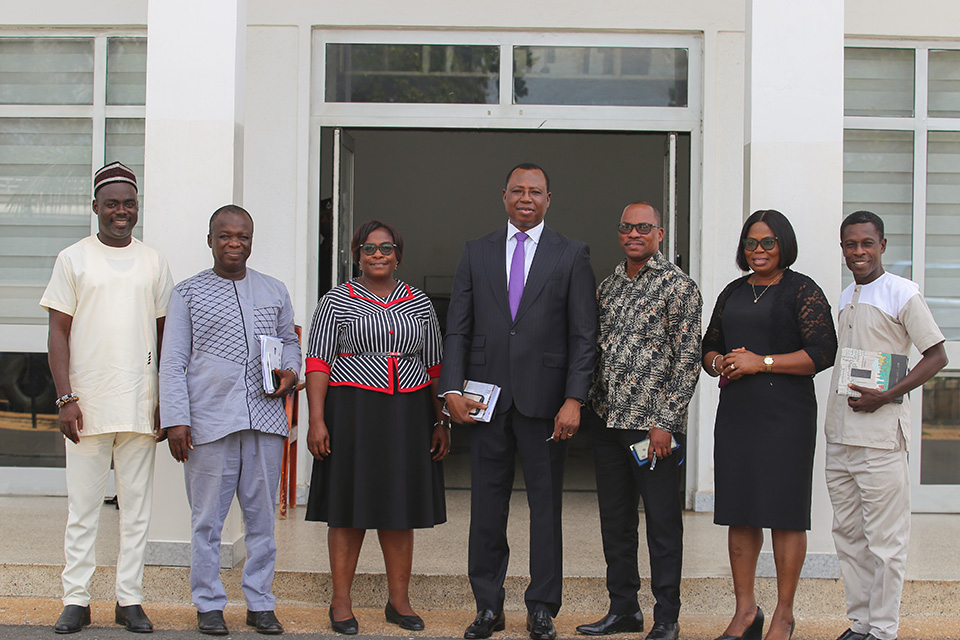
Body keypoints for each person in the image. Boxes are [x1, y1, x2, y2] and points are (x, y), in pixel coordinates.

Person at [441, 163, 597, 640]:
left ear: (550, 198)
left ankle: (542, 607)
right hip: (487, 404)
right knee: (487, 509)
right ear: (503, 195)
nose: (526, 198)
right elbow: (458, 328)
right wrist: (451, 390)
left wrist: (574, 399)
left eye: (535, 191)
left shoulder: (571, 254)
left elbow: (583, 335)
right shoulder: (476, 252)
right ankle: (488, 606)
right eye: (517, 190)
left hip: (547, 405)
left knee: (546, 510)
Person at [41, 162, 174, 634]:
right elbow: (58, 334)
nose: (122, 211)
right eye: (112, 203)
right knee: (83, 510)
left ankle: (129, 599)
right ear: (95, 207)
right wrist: (65, 397)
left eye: (129, 203)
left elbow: (168, 338)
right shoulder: (72, 258)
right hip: (87, 404)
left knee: (136, 510)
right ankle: (76, 599)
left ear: (138, 207)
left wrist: (167, 399)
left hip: (140, 402)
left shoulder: (153, 261)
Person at [159, 205, 300, 636]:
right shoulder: (187, 293)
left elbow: (291, 343)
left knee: (261, 520)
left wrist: (291, 374)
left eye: (242, 236)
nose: (234, 243)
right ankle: (208, 604)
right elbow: (173, 361)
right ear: (211, 240)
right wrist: (176, 421)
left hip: (264, 421)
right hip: (209, 422)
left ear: (251, 241)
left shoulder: (274, 290)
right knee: (207, 522)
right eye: (225, 236)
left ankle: (260, 603)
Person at [304, 220, 449, 636]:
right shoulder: (336, 300)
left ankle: (398, 601)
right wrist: (316, 419)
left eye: (387, 248)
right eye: (369, 248)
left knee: (399, 510)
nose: (378, 255)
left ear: (398, 254)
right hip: (351, 414)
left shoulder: (419, 303)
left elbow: (436, 366)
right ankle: (341, 602)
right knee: (347, 509)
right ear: (357, 254)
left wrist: (440, 420)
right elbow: (317, 362)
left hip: (408, 414)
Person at [702, 209, 837, 640]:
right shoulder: (734, 291)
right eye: (750, 243)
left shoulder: (802, 290)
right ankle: (746, 611)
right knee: (740, 512)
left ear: (783, 246)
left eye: (768, 243)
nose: (758, 251)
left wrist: (762, 362)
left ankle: (784, 614)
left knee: (784, 514)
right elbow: (709, 347)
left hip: (786, 417)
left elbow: (822, 352)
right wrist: (720, 361)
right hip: (739, 414)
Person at [577, 202, 702, 640]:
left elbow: (688, 361)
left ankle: (667, 616)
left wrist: (665, 422)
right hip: (608, 423)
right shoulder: (608, 286)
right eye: (626, 227)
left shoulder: (678, 286)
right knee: (616, 521)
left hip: (654, 430)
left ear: (660, 233)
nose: (634, 234)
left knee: (663, 524)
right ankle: (623, 609)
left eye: (643, 227)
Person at [825, 211, 947, 640]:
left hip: (879, 439)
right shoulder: (845, 297)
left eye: (866, 243)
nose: (858, 252)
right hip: (839, 435)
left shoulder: (901, 292)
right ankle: (861, 623)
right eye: (850, 245)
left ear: (882, 245)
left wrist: (888, 395)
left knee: (885, 542)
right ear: (842, 248)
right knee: (849, 536)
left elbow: (936, 355)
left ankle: (883, 631)